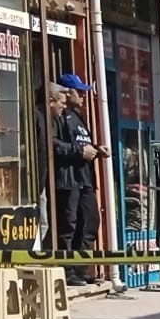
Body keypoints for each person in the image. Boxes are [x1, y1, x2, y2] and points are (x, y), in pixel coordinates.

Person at [49, 77, 103, 283]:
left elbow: (84, 144)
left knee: (89, 221)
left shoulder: (79, 117)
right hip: (68, 178)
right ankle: (68, 271)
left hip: (85, 178)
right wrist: (79, 151)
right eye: (78, 92)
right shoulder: (59, 116)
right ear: (67, 92)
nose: (82, 96)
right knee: (69, 225)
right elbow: (53, 144)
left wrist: (97, 149)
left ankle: (81, 268)